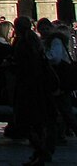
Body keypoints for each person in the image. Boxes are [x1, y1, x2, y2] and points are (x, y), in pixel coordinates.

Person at [11, 16, 59, 166]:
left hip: (28, 87)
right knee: (38, 122)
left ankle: (41, 152)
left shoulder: (22, 42)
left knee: (28, 123)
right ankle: (40, 152)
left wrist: (11, 64)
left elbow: (23, 65)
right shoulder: (34, 41)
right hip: (39, 87)